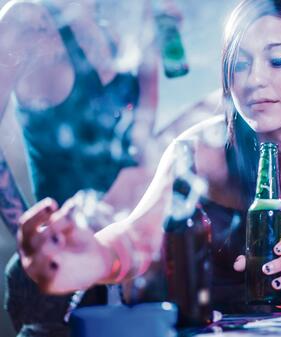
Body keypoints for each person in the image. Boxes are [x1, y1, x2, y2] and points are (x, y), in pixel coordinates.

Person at [16, 0, 281, 313]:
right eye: (239, 63)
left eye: (278, 60)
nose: (253, 80)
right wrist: (92, 261)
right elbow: (135, 237)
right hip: (201, 319)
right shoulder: (197, 148)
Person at [0, 0, 197, 336]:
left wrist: (154, 37)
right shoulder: (28, 19)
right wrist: (30, 233)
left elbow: (139, 135)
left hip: (125, 263)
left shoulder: (109, 17)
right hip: (63, 270)